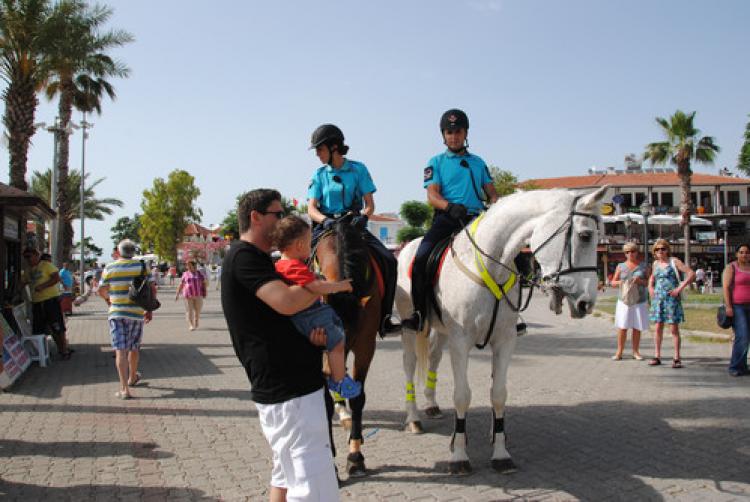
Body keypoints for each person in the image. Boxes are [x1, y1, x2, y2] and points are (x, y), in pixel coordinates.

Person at [222, 189, 339, 501]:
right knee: (311, 482)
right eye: (278, 213)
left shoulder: (259, 258)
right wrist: (323, 286)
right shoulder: (244, 256)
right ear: (256, 217)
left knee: (285, 473)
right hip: (289, 389)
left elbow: (281, 316)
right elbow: (287, 302)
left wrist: (309, 338)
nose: (285, 220)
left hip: (290, 384)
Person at [401, 109, 499, 331]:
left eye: (458, 131)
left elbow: (492, 193)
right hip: (448, 219)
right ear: (443, 135)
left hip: (477, 220)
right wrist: (449, 207)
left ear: (466, 133)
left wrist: (495, 206)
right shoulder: (435, 162)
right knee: (421, 259)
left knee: (509, 258)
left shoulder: (478, 162)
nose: (453, 136)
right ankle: (419, 313)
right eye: (449, 132)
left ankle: (511, 316)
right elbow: (432, 195)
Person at [306, 123, 400, 336]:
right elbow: (311, 208)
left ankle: (385, 318)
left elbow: (370, 205)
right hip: (326, 226)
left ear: (334, 147)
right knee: (300, 262)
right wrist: (325, 220)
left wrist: (364, 217)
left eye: (320, 149)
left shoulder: (359, 169)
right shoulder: (319, 175)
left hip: (353, 226)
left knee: (389, 260)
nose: (318, 155)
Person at [273, 215, 361, 398]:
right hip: (311, 314)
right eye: (308, 242)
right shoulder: (294, 267)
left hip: (350, 223)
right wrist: (340, 286)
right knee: (337, 342)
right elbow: (317, 288)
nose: (310, 247)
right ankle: (339, 380)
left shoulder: (281, 265)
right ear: (298, 245)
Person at [99, 239, 156, 399]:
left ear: (119, 251)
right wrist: (149, 309)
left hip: (116, 313)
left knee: (120, 351)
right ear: (133, 252)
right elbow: (151, 288)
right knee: (134, 348)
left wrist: (109, 300)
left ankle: (124, 389)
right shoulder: (142, 266)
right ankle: (132, 377)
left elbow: (101, 289)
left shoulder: (109, 267)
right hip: (136, 313)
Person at [648, 239, 695, 368]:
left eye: (663, 249)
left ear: (667, 250)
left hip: (671, 299)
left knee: (673, 328)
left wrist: (679, 288)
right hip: (658, 299)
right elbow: (652, 278)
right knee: (658, 327)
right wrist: (650, 288)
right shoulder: (655, 264)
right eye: (657, 249)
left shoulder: (674, 262)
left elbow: (691, 273)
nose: (660, 251)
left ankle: (676, 357)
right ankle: (657, 355)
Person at [23, 248, 72, 359]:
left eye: (29, 256)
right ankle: (42, 353)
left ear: (36, 255)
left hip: (50, 301)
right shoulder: (28, 270)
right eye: (25, 257)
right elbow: (23, 282)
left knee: (57, 327)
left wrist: (43, 286)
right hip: (36, 303)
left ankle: (64, 350)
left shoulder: (46, 265)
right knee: (39, 329)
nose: (28, 259)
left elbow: (56, 278)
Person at [609, 242, 648, 360]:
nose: (630, 254)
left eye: (633, 251)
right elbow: (612, 282)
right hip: (624, 300)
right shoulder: (620, 266)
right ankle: (619, 352)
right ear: (625, 254)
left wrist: (640, 281)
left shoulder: (644, 266)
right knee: (623, 326)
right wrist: (621, 282)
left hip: (639, 300)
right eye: (627, 252)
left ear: (637, 252)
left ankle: (636, 351)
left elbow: (649, 282)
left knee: (637, 327)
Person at [723, 243, 750, 376]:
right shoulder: (732, 267)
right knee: (742, 336)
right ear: (737, 254)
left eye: (747, 252)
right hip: (737, 306)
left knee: (746, 336)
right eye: (741, 252)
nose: (744, 255)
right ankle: (735, 366)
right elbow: (726, 287)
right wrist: (729, 306)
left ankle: (743, 366)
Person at [175, 260, 207, 331]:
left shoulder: (199, 273)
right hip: (188, 294)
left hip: (198, 294)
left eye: (189, 265)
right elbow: (181, 284)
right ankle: (191, 325)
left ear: (194, 265)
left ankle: (196, 320)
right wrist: (177, 294)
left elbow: (204, 283)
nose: (188, 267)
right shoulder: (185, 274)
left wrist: (205, 292)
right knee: (189, 310)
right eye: (187, 265)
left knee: (198, 310)